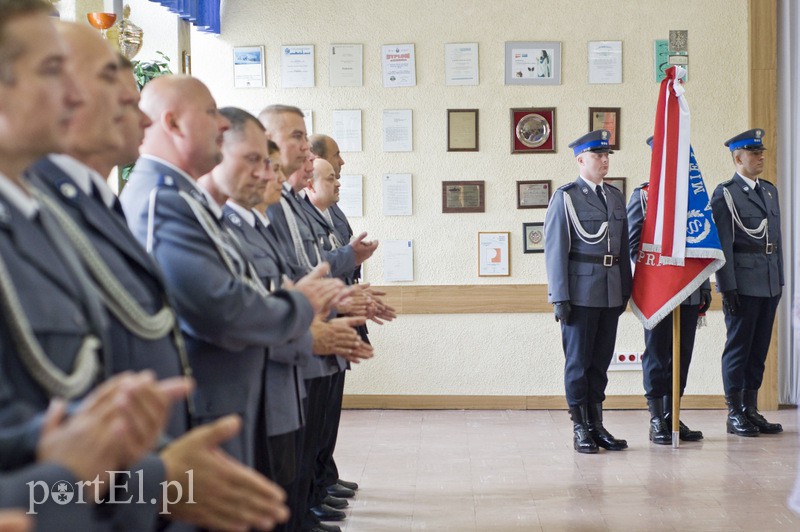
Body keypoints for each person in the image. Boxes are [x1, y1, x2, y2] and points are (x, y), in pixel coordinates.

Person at [120, 75, 342, 477]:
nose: (221, 125)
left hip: (238, 396)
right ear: (171, 124)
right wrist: (301, 306)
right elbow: (219, 307)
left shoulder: (185, 198)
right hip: (206, 406)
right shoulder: (163, 198)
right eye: (209, 113)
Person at [544, 129, 632, 454]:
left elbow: (621, 248)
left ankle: (597, 424)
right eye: (598, 155)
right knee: (578, 364)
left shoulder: (615, 197)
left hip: (610, 293)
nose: (604, 160)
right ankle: (580, 427)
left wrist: (625, 290)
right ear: (581, 160)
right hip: (580, 293)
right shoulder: (566, 197)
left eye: (607, 155)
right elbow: (555, 250)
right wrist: (560, 297)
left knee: (600, 363)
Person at [627, 136, 709, 445]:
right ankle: (657, 419)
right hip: (658, 294)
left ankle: (673, 414)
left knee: (682, 355)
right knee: (658, 356)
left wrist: (703, 288)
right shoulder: (644, 197)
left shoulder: (695, 202)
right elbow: (634, 247)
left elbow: (703, 247)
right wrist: (661, 276)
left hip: (689, 291)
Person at [710, 128, 783, 437]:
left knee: (758, 348)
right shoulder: (725, 193)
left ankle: (751, 408)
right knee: (739, 348)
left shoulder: (768, 190)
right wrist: (727, 287)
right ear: (738, 158)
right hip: (742, 281)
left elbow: (774, 240)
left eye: (761, 152)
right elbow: (724, 244)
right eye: (754, 153)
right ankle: (735, 411)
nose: (760, 157)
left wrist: (779, 279)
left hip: (768, 281)